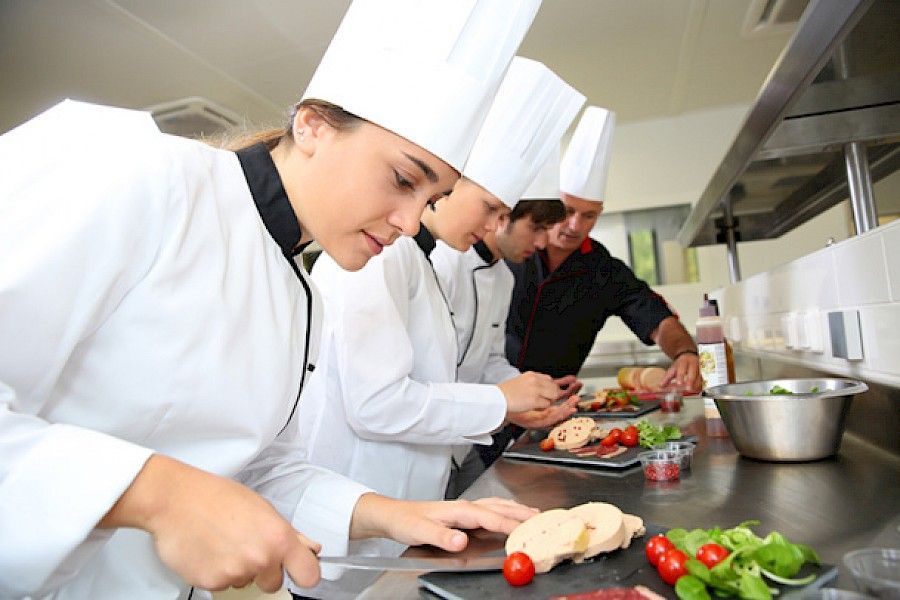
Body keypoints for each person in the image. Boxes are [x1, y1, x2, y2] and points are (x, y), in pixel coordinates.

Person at [0, 1, 545, 597]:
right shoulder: (128, 169)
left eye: (431, 198)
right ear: (311, 126)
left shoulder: (297, 289)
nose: (412, 222)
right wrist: (156, 493)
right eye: (403, 180)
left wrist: (394, 513)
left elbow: (259, 466)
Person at [295, 57, 581, 595]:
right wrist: (502, 403)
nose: (493, 227)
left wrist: (516, 398)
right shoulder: (377, 256)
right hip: (358, 519)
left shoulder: (415, 261)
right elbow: (377, 403)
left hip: (410, 518)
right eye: (490, 208)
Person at [506, 105, 701, 390]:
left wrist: (685, 352)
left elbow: (657, 318)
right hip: (491, 397)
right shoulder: (512, 250)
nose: (574, 225)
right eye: (568, 210)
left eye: (589, 216)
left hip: (554, 405)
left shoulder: (603, 271)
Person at [432, 151, 585, 498]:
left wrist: (531, 389)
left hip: (461, 445)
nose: (543, 243)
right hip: (434, 437)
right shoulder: (444, 262)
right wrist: (505, 402)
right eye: (537, 228)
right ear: (503, 218)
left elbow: (489, 360)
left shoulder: (503, 277)